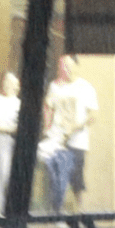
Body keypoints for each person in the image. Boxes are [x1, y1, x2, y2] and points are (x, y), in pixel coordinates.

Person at [43, 55, 97, 212]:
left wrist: (75, 127)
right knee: (57, 176)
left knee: (77, 179)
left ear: (76, 66)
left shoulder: (85, 87)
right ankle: (55, 211)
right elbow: (48, 106)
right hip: (57, 140)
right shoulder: (55, 86)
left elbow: (93, 114)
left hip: (77, 141)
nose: (65, 69)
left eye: (69, 65)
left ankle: (76, 212)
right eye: (62, 65)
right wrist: (47, 127)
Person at [0, 72, 20, 216]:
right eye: (7, 82)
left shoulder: (19, 104)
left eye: (13, 83)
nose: (9, 85)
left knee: (11, 177)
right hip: (1, 140)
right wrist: (10, 129)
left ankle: (11, 211)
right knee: (1, 175)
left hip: (15, 142)